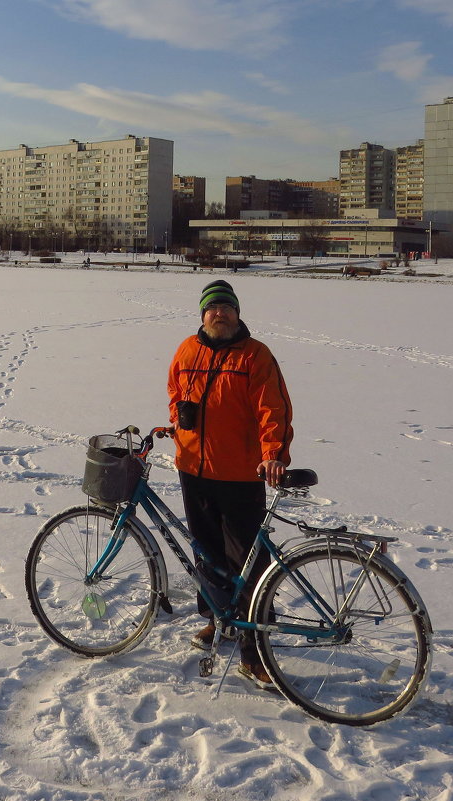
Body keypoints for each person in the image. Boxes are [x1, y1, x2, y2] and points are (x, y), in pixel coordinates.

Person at [167, 280, 294, 690]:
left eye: (226, 307)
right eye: (212, 308)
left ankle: (254, 653)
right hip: (193, 469)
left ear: (237, 313)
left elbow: (273, 408)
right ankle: (217, 619)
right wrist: (178, 419)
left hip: (241, 473)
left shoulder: (256, 356)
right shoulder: (187, 350)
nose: (219, 314)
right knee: (206, 551)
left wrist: (273, 451)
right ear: (202, 314)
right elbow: (174, 390)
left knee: (248, 563)